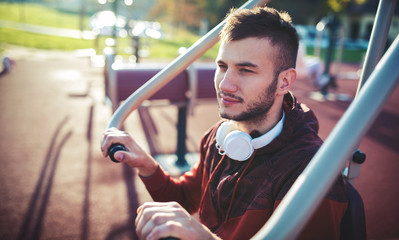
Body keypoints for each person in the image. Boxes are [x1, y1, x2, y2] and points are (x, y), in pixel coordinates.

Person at [101, 6, 348, 240]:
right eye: (222, 66)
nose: (225, 84)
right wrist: (147, 165)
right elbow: (186, 198)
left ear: (284, 82)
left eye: (246, 70)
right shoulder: (220, 137)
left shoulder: (311, 171)